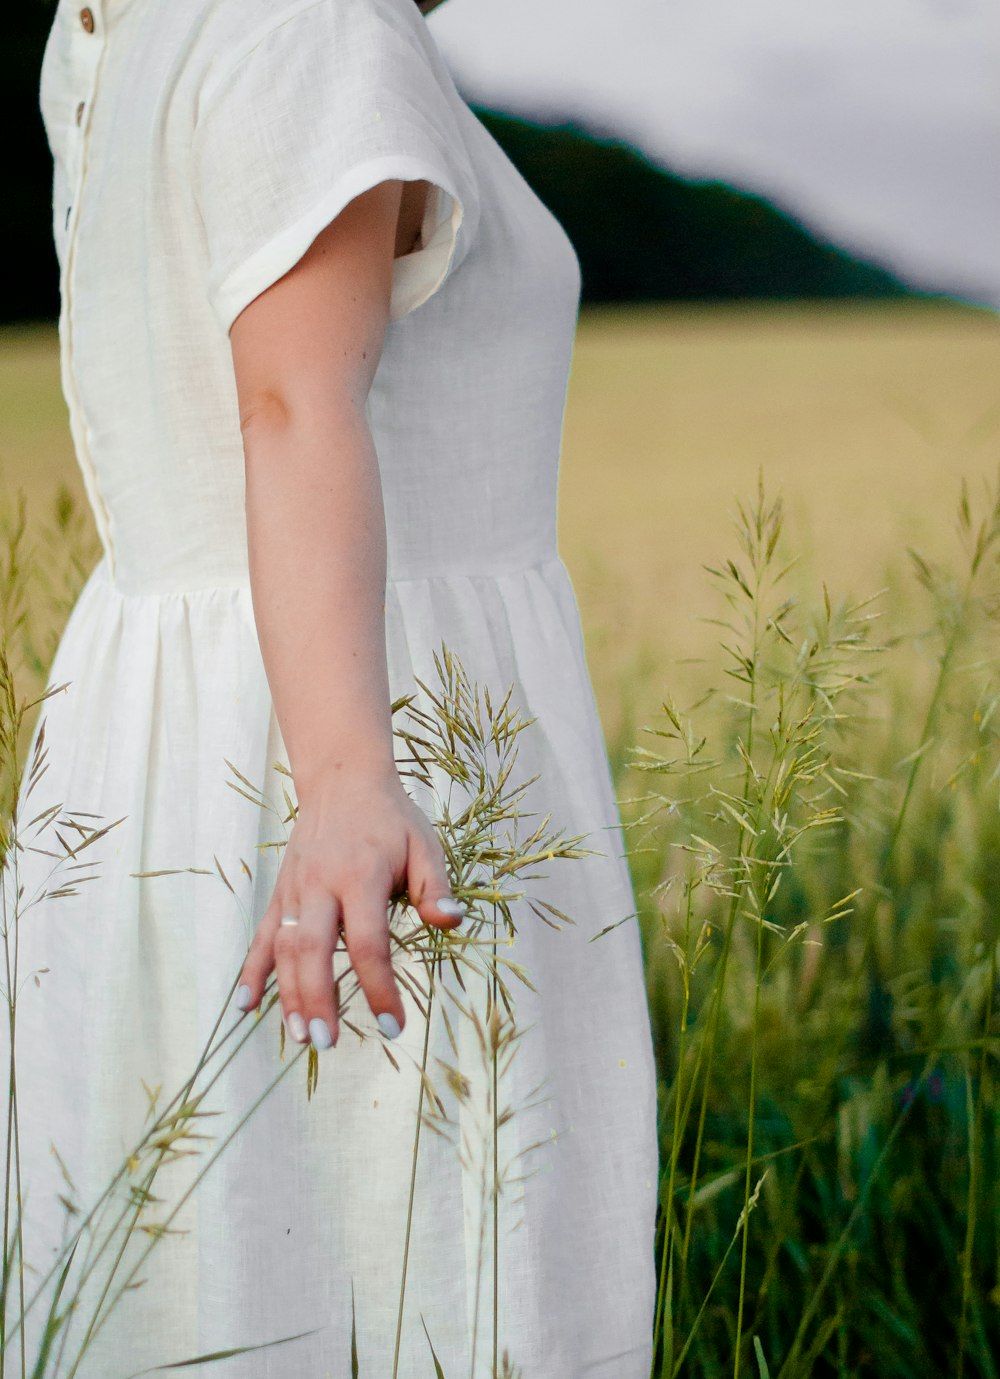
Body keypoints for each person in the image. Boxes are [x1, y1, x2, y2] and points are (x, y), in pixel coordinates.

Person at [4, 0, 659, 1372]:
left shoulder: (114, 28)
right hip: (352, 723)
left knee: (224, 1278)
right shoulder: (309, 20)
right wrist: (352, 780)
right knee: (410, 1275)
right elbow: (294, 399)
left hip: (177, 735)